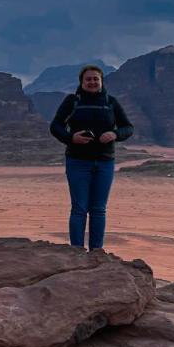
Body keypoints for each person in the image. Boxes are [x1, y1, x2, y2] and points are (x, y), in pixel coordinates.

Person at [49, 65, 133, 251]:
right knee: (79, 209)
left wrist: (115, 134)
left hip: (104, 162)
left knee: (98, 209)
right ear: (82, 82)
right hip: (78, 162)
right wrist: (71, 138)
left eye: (96, 79)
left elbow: (128, 127)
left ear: (102, 81)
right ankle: (76, 251)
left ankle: (97, 252)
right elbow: (55, 126)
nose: (92, 82)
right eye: (89, 79)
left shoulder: (111, 102)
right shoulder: (72, 101)